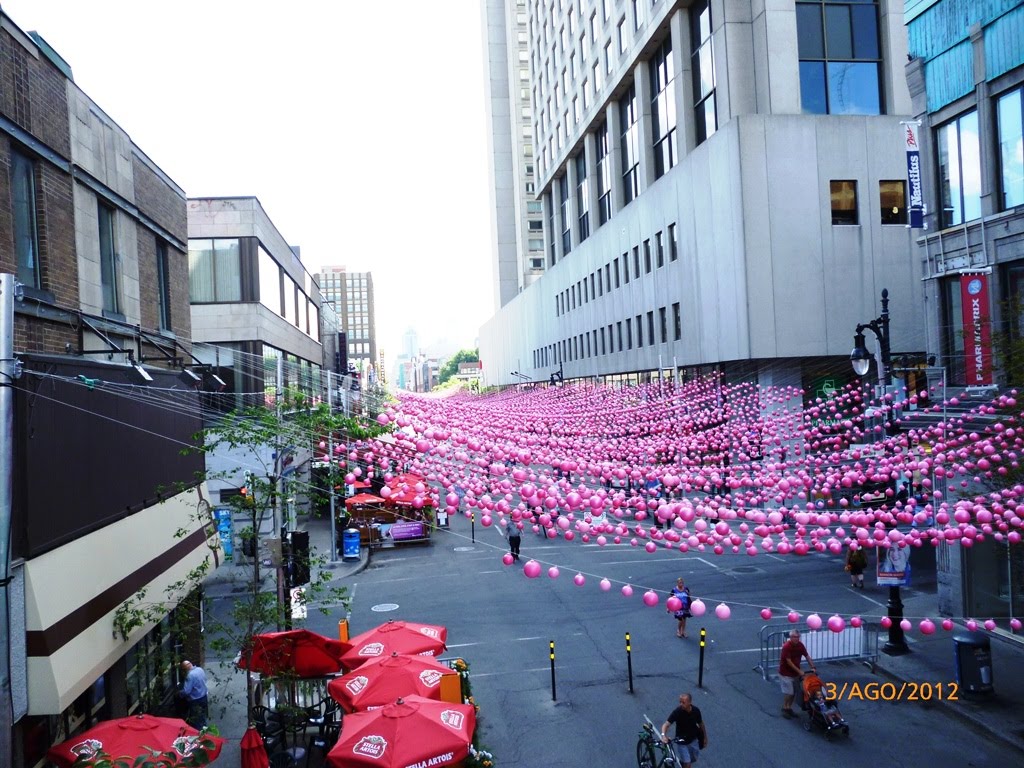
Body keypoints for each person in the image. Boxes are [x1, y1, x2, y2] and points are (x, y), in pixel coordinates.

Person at [660, 692, 708, 768]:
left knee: (694, 759)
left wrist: (705, 737)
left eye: (683, 702)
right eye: (680, 702)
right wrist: (663, 735)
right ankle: (685, 763)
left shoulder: (696, 711)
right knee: (688, 764)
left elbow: (701, 724)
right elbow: (666, 724)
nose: (681, 704)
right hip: (681, 742)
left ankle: (683, 762)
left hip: (693, 740)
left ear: (690, 702)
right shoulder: (678, 711)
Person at [778, 630, 815, 718]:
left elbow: (807, 656)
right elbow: (789, 662)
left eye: (797, 637)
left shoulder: (800, 645)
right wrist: (800, 672)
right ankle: (784, 707)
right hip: (785, 673)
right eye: (794, 637)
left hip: (795, 673)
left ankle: (788, 708)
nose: (796, 639)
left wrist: (813, 667)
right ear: (790, 638)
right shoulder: (787, 647)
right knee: (789, 692)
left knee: (794, 692)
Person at [179, 660, 209, 729]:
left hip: (195, 700)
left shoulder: (190, 675)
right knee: (203, 717)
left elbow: (187, 691)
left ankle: (200, 736)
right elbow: (205, 680)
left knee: (197, 720)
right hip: (204, 696)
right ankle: (205, 732)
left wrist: (180, 693)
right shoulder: (200, 669)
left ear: (185, 669)